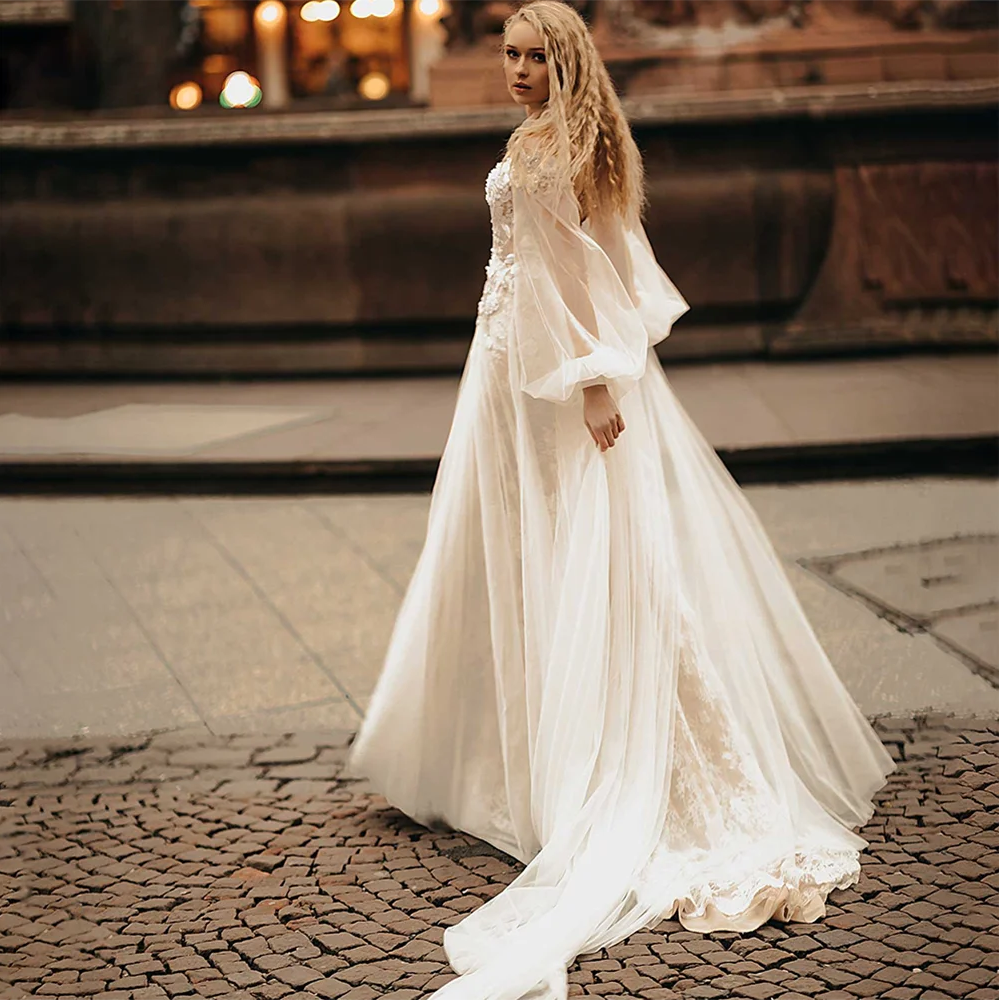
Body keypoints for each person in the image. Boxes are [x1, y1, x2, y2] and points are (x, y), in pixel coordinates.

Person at [346, 2, 897, 996]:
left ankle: (582, 771)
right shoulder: (571, 139)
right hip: (515, 370)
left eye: (531, 57)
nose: (514, 70)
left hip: (547, 378)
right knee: (527, 549)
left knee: (567, 555)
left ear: (565, 64)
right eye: (507, 55)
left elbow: (574, 272)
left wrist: (596, 380)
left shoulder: (551, 150)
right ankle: (512, 764)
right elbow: (582, 263)